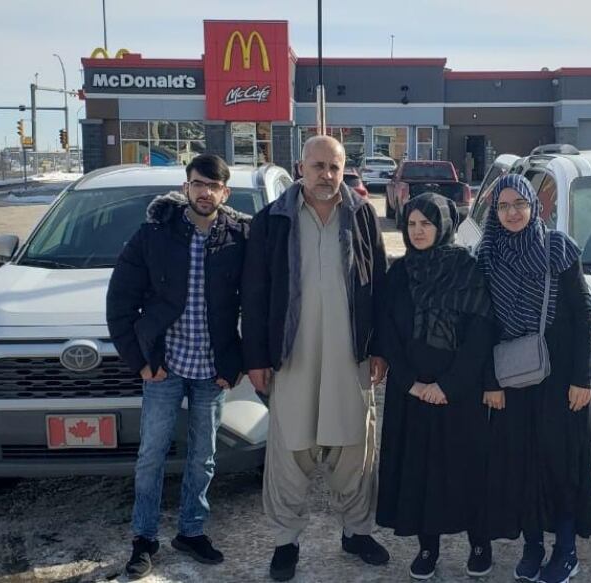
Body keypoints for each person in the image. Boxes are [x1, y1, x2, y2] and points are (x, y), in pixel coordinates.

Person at [241, 135, 389, 581]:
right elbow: (255, 291)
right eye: (318, 166)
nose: (326, 175)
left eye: (334, 167)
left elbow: (378, 282)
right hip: (293, 353)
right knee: (291, 448)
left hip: (351, 354)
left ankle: (357, 530)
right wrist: (257, 357)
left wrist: (380, 346)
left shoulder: (362, 216)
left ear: (345, 170)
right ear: (300, 167)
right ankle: (286, 541)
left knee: (353, 447)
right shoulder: (273, 220)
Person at [106, 154, 249, 580]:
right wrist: (140, 362)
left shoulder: (239, 237)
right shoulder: (155, 234)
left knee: (203, 456)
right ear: (186, 187)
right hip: (164, 367)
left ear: (226, 192)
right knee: (151, 454)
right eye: (198, 184)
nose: (205, 192)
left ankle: (191, 530)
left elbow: (254, 303)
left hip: (212, 369)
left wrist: (236, 362)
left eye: (214, 186)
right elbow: (120, 300)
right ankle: (144, 538)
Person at [477, 174, 591, 583]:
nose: (512, 213)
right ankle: (532, 547)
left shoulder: (557, 249)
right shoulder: (487, 254)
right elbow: (484, 324)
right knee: (521, 465)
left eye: (519, 204)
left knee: (559, 465)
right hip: (512, 378)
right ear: (496, 212)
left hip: (560, 378)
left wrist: (582, 377)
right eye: (504, 206)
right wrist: (490, 382)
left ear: (535, 207)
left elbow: (584, 314)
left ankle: (566, 550)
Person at [376, 193, 496, 580]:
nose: (418, 231)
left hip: (458, 393)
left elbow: (481, 334)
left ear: (443, 225)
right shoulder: (399, 273)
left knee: (466, 468)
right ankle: (428, 547)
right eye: (411, 224)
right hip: (411, 393)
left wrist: (449, 385)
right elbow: (388, 332)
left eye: (426, 223)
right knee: (420, 470)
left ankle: (480, 542)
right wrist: (410, 381)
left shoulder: (468, 269)